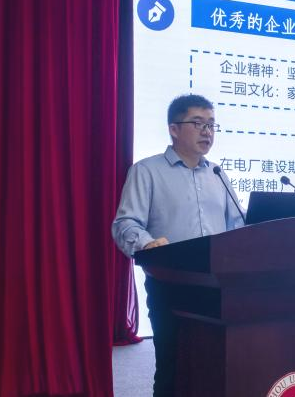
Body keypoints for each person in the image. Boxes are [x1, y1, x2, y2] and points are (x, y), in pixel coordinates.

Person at [112, 94, 244, 397]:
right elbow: (125, 224)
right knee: (173, 367)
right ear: (174, 129)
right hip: (171, 285)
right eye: (198, 123)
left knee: (218, 365)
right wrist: (148, 244)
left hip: (218, 287)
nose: (207, 132)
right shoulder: (147, 171)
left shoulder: (217, 174)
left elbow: (238, 225)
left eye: (211, 125)